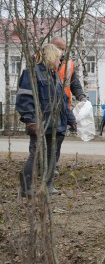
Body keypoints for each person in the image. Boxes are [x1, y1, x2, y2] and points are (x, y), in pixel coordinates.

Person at [16, 43, 77, 197]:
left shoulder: (54, 75)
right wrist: (31, 121)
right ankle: (26, 188)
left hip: (57, 124)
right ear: (51, 56)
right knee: (36, 155)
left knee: (51, 156)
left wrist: (71, 119)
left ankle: (48, 186)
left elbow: (63, 100)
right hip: (41, 123)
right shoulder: (32, 73)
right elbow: (24, 98)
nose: (60, 61)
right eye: (58, 58)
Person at [50, 36, 88, 108]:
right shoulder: (40, 63)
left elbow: (75, 85)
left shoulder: (68, 65)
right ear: (50, 47)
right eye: (59, 48)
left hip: (64, 106)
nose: (61, 51)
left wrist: (82, 98)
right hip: (46, 106)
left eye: (63, 49)